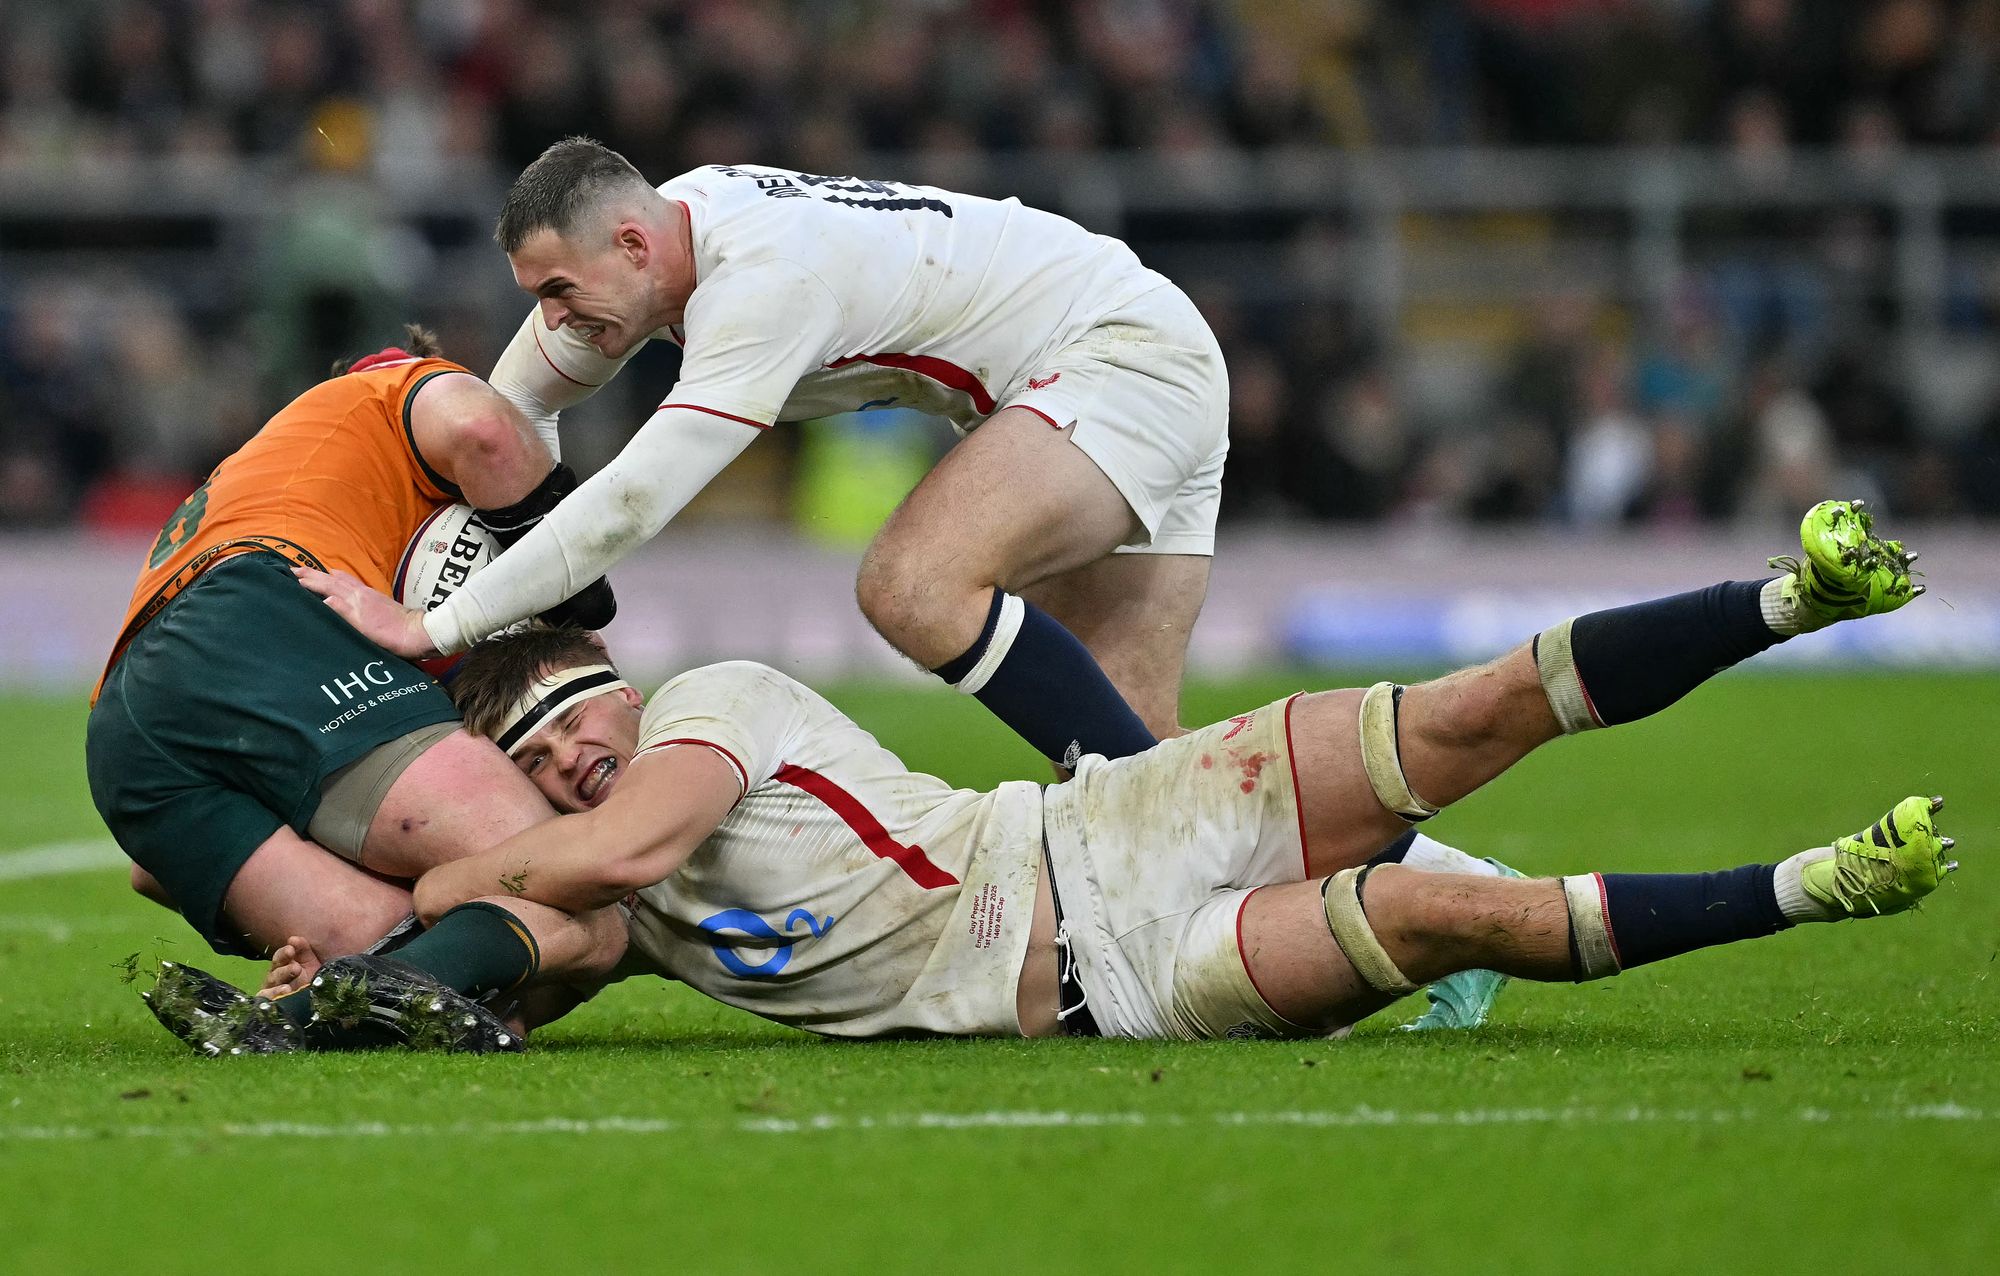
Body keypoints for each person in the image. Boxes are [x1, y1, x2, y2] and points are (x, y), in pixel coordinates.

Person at [225, 501, 1946, 1048]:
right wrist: (341, 965)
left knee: (1473, 709)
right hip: (1114, 987)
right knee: (1439, 916)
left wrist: (436, 882)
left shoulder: (706, 710)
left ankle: (1797, 590)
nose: (581, 756)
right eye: (544, 757)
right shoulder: (618, 903)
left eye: (579, 718)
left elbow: (601, 865)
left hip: (1108, 822)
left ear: (619, 684)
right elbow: (547, 954)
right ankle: (1816, 885)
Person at [299, 138, 1232, 776]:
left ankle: (1172, 832)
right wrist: (527, 604)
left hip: (1118, 358)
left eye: (557, 290)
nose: (551, 320)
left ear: (630, 243)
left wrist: (441, 627)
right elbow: (508, 422)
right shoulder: (661, 247)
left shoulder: (764, 282)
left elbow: (632, 500)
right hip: (1122, 352)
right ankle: (1368, 855)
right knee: (1133, 735)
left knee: (914, 586)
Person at [86, 328, 625, 1053]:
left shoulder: (266, 481)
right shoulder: (391, 391)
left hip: (124, 734)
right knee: (587, 898)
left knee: (462, 971)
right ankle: (342, 1003)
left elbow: (152, 874)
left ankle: (297, 1015)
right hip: (261, 611)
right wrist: (574, 611)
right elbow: (482, 429)